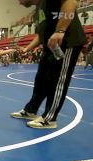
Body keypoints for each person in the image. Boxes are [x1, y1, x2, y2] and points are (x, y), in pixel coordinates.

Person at [11, 0, 87, 129]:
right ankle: (31, 110)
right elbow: (41, 35)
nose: (19, 2)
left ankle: (50, 118)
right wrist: (26, 49)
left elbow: (71, 2)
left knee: (58, 80)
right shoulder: (39, 10)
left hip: (67, 43)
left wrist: (60, 31)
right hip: (50, 47)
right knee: (41, 79)